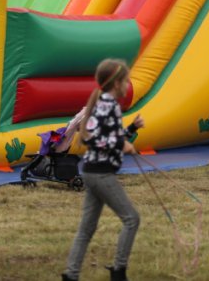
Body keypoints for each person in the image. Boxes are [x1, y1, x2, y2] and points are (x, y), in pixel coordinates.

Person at [62, 59, 145, 281]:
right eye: (126, 81)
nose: (128, 85)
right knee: (132, 219)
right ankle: (118, 272)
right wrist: (121, 144)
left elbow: (108, 135)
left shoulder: (105, 104)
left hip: (92, 171)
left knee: (86, 228)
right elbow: (92, 138)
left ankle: (71, 275)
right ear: (117, 83)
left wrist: (131, 129)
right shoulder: (108, 106)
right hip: (100, 173)